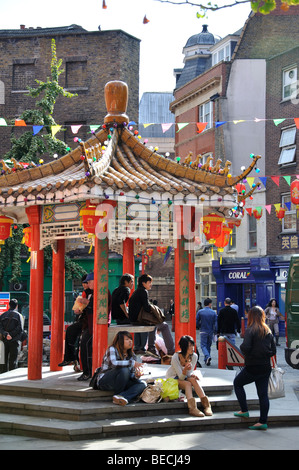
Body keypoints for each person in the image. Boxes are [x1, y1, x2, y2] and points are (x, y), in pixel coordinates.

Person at [233, 305, 276, 430]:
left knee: (237, 383)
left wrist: (246, 352)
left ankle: (244, 410)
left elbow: (245, 347)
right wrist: (264, 354)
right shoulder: (267, 330)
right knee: (263, 394)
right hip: (265, 366)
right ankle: (263, 421)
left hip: (252, 366)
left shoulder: (251, 330)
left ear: (251, 316)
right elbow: (273, 350)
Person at [166, 335, 212, 417]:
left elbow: (189, 373)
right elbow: (181, 377)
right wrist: (185, 370)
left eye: (192, 345)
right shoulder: (175, 357)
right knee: (188, 384)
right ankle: (192, 408)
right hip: (173, 378)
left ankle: (206, 405)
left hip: (184, 377)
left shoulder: (194, 356)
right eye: (189, 346)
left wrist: (193, 375)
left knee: (193, 380)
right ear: (184, 347)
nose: (192, 348)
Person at [129, 274, 175, 357]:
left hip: (134, 319)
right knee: (164, 326)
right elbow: (146, 308)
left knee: (153, 324)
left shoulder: (137, 291)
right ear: (143, 283)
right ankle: (170, 350)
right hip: (140, 319)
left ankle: (149, 347)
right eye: (149, 282)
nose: (151, 284)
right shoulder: (143, 291)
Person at [96, 330, 146, 405]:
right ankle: (120, 394)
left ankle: (122, 396)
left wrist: (136, 376)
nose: (130, 341)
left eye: (131, 339)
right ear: (120, 341)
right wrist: (131, 363)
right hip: (105, 381)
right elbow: (113, 363)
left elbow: (131, 374)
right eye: (127, 339)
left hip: (122, 382)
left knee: (142, 384)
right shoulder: (112, 349)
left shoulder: (132, 354)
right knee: (124, 370)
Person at [77, 271, 111, 381]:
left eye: (89, 281)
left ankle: (89, 372)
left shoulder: (102, 292)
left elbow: (98, 308)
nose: (88, 284)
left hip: (98, 324)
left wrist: (86, 302)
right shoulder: (91, 292)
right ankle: (88, 371)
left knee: (86, 345)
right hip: (91, 324)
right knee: (84, 345)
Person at [58, 274, 90, 370]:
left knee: (72, 333)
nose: (84, 285)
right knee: (72, 335)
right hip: (83, 319)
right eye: (83, 283)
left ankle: (70, 358)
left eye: (86, 283)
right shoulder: (85, 293)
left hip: (87, 321)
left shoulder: (90, 293)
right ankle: (72, 359)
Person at [0, 299, 24, 372]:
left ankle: (2, 375)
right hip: (14, 340)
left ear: (9, 305)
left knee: (3, 359)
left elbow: (0, 327)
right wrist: (11, 335)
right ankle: (11, 374)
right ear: (16, 306)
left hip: (4, 340)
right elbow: (20, 328)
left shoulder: (3, 315)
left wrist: (6, 334)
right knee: (13, 360)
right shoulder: (19, 315)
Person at [196, 298, 217, 366]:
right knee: (208, 345)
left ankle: (207, 356)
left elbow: (196, 321)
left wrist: (199, 326)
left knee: (203, 345)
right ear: (210, 304)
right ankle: (207, 359)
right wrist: (215, 331)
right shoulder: (213, 312)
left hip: (203, 330)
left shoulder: (200, 312)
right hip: (210, 331)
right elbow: (216, 323)